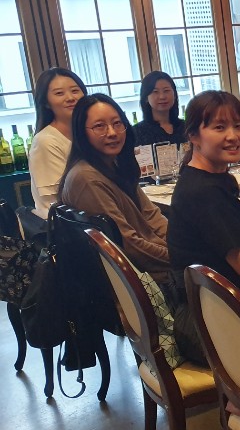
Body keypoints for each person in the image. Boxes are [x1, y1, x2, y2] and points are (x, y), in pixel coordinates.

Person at [167, 91, 240, 365]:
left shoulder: (212, 179)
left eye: (238, 125)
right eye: (219, 127)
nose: (233, 136)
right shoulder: (204, 193)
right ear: (193, 135)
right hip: (211, 322)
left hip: (220, 306)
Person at [59, 94, 169, 278]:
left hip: (155, 267)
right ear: (81, 132)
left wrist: (183, 246)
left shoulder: (114, 165)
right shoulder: (86, 178)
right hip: (144, 279)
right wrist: (181, 257)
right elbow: (130, 246)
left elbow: (152, 215)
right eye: (99, 126)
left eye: (117, 123)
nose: (112, 132)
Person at [28, 67, 88, 218]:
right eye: (59, 93)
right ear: (46, 103)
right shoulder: (45, 141)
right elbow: (56, 200)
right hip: (67, 223)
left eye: (75, 91)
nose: (70, 98)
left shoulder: (88, 132)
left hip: (92, 214)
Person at [132, 71, 187, 147]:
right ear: (146, 98)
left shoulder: (186, 127)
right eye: (155, 92)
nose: (162, 97)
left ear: (174, 95)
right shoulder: (136, 133)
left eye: (166, 91)